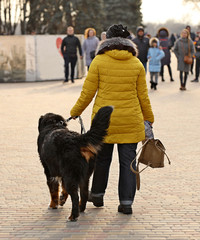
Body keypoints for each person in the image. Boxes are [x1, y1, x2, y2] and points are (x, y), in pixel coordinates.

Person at [70, 24, 154, 215]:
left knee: (101, 160)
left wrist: (75, 112)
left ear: (107, 40)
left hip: (104, 122)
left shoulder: (99, 61)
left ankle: (97, 195)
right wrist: (149, 118)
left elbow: (87, 93)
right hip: (131, 120)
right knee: (128, 163)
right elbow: (143, 96)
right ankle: (126, 203)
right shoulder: (136, 63)